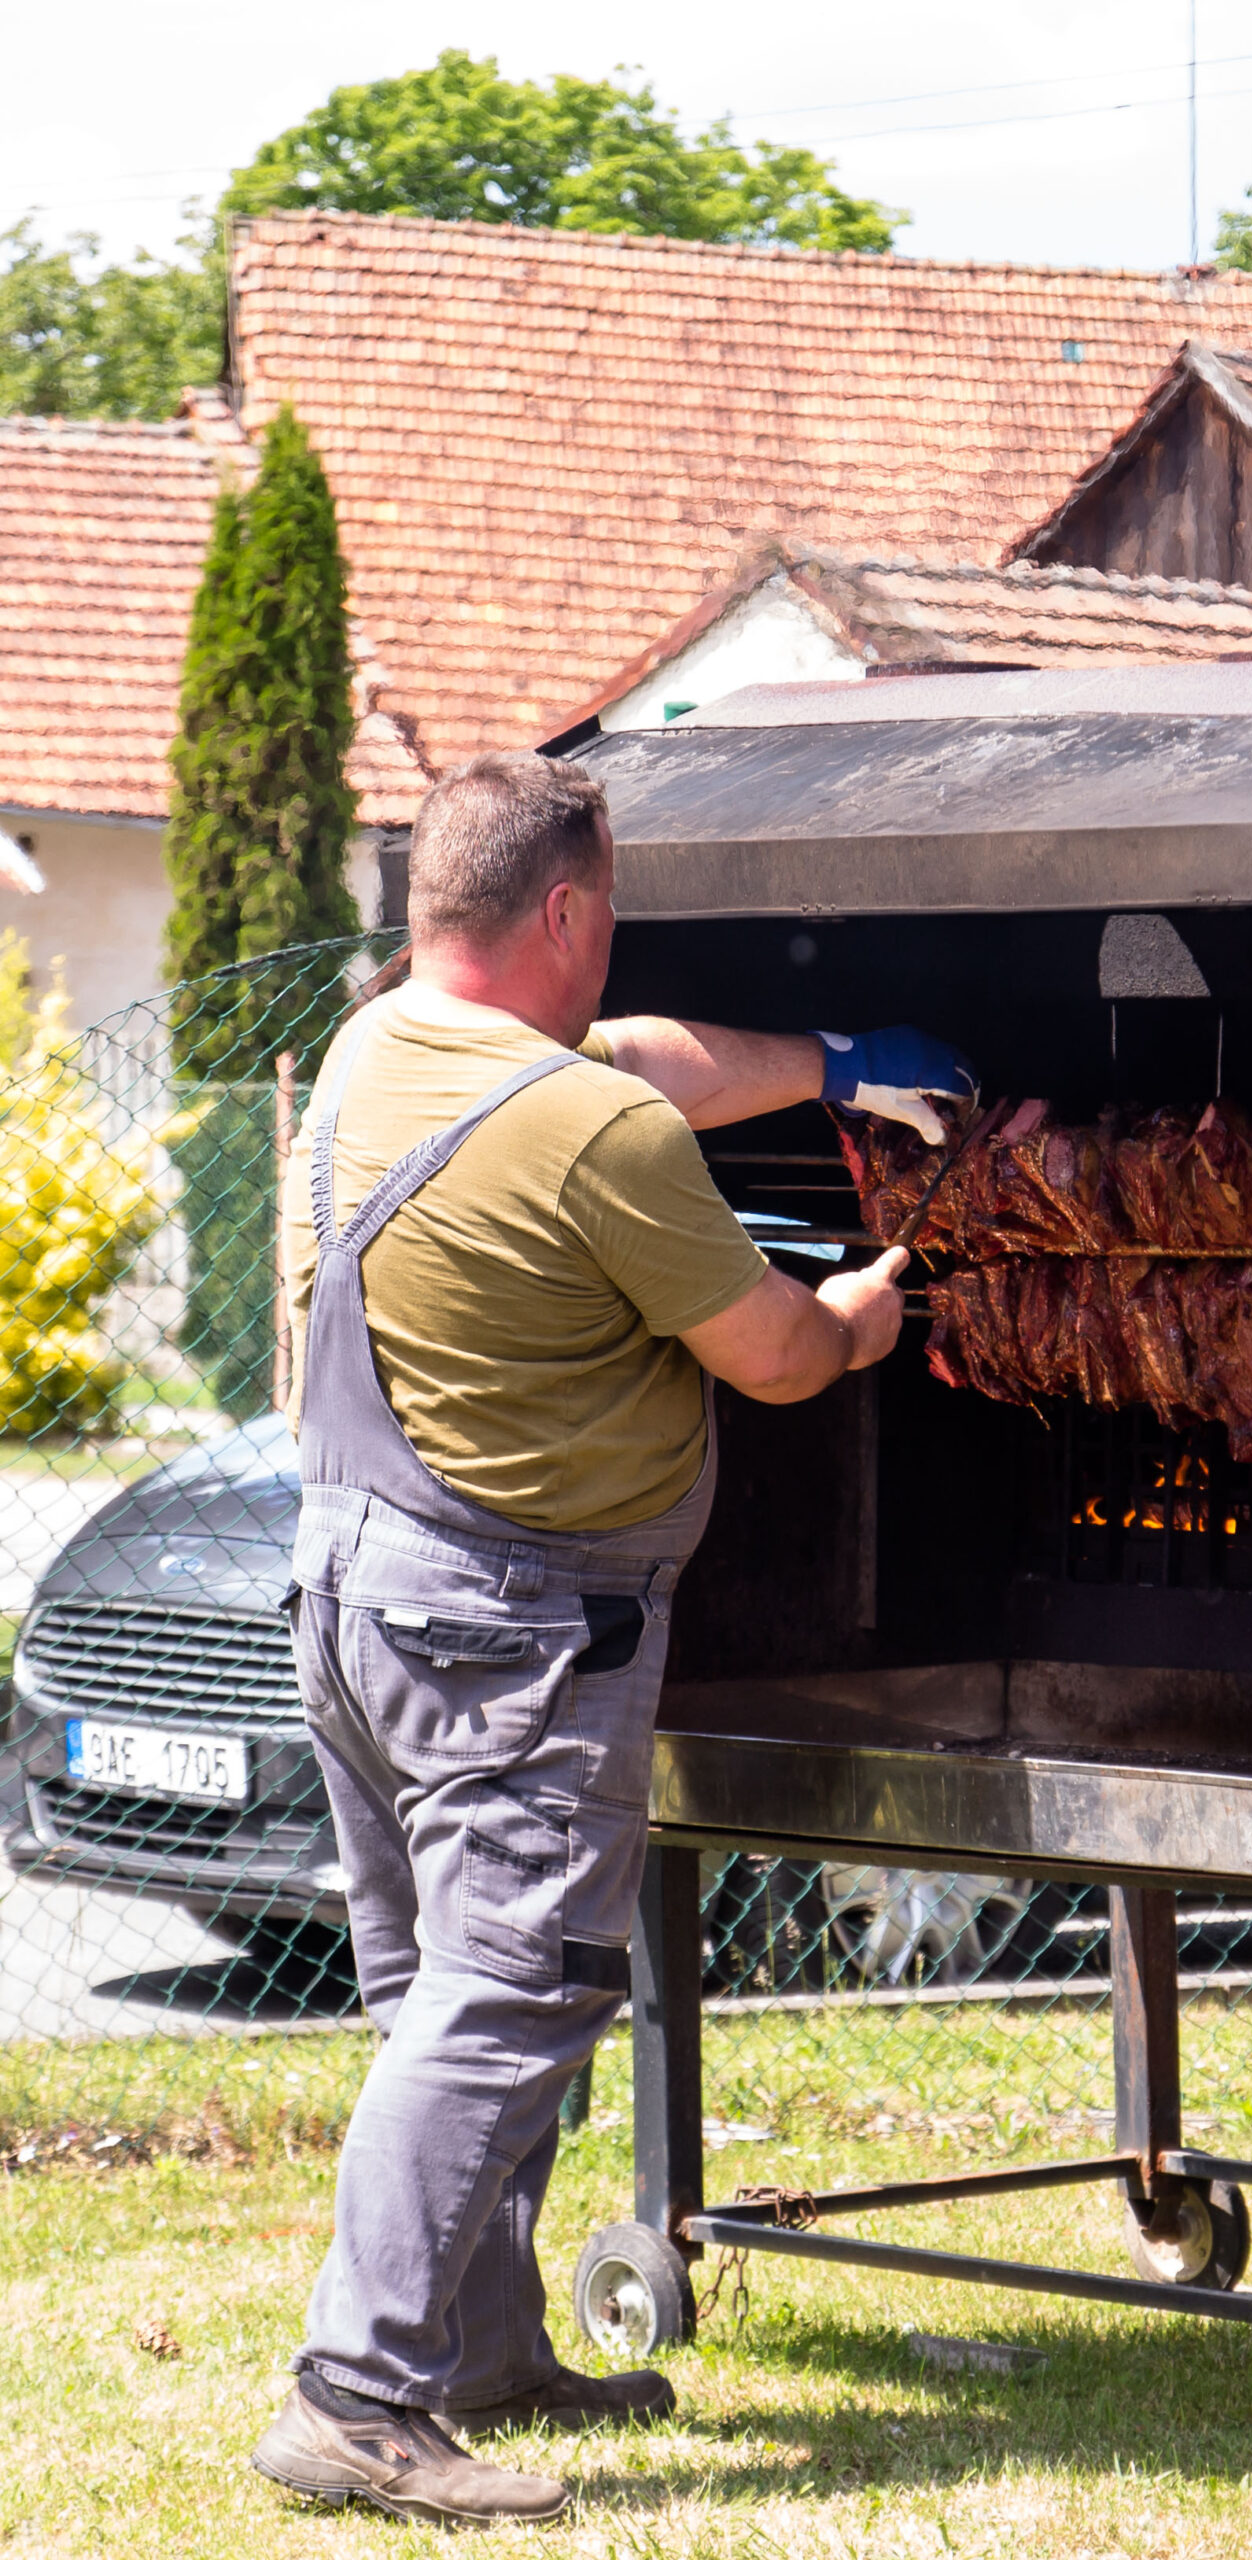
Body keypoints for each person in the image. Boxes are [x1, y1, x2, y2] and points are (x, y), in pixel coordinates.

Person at [251, 750, 972, 2525]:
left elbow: (627, 1058)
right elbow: (776, 1356)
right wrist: (862, 1319)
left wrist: (836, 1065)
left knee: (438, 1991)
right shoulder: (595, 1138)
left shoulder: (371, 1051)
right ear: (565, 911)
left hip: (349, 1596)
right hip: (509, 1631)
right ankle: (357, 2392)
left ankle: (477, 2350)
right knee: (507, 1994)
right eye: (614, 910)